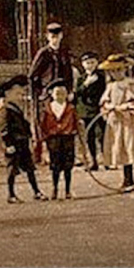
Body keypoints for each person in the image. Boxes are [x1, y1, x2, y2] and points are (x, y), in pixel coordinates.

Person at [99, 54, 134, 192]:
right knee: (117, 147)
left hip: (128, 121)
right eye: (113, 71)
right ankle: (125, 178)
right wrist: (109, 107)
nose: (116, 73)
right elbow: (104, 102)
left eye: (119, 70)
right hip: (115, 121)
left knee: (128, 146)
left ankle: (129, 179)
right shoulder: (111, 86)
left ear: (125, 69)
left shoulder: (131, 83)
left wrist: (127, 106)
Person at [0, 75, 48, 203]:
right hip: (13, 143)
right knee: (12, 170)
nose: (20, 96)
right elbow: (3, 129)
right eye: (17, 93)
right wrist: (8, 144)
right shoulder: (5, 110)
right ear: (8, 94)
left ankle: (36, 191)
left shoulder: (15, 108)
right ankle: (11, 194)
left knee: (30, 169)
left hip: (22, 142)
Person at [29, 22, 74, 163]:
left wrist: (70, 90)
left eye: (57, 36)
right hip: (47, 93)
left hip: (62, 92)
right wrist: (38, 92)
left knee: (63, 121)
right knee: (46, 122)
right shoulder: (44, 53)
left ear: (61, 36)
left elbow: (69, 73)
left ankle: (61, 153)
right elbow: (32, 75)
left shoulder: (64, 52)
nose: (55, 39)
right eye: (52, 36)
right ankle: (45, 153)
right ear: (47, 37)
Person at [39, 80, 79, 200]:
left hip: (67, 138)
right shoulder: (47, 109)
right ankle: (54, 188)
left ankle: (67, 190)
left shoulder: (70, 108)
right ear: (51, 94)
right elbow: (43, 124)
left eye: (62, 93)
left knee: (68, 165)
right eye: (57, 93)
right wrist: (45, 139)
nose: (60, 96)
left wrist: (75, 132)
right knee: (55, 165)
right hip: (54, 139)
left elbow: (76, 123)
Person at [76, 52, 107, 171]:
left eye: (92, 62)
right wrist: (86, 84)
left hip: (98, 109)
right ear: (83, 64)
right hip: (86, 111)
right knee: (90, 136)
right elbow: (77, 93)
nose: (90, 65)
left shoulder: (101, 77)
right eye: (87, 63)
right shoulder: (81, 79)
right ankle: (93, 161)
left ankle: (105, 159)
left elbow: (104, 92)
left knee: (102, 135)